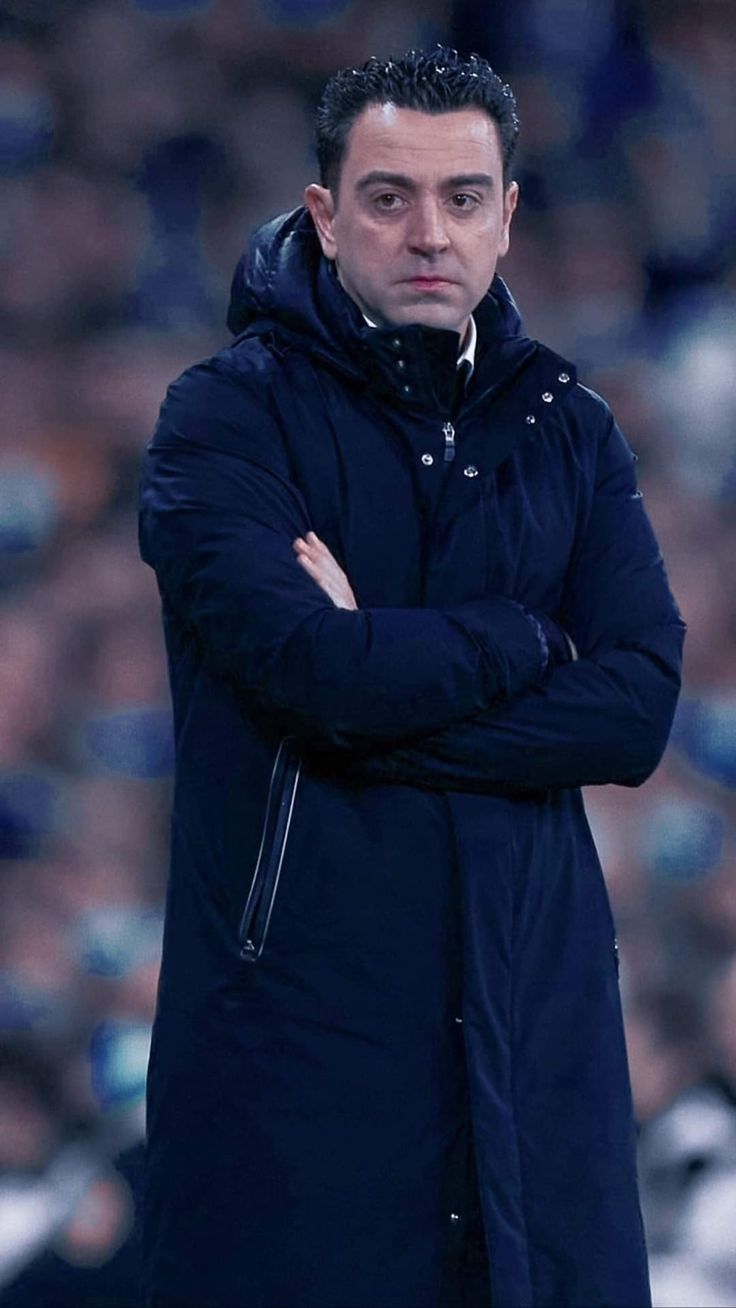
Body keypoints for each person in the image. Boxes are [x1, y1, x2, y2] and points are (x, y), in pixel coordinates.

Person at [138, 46, 685, 1308]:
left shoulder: (570, 427)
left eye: (462, 196)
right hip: (295, 1054)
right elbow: (309, 667)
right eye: (387, 197)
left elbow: (635, 705)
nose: (427, 231)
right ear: (325, 216)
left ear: (508, 214)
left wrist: (368, 691)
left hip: (534, 1046)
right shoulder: (224, 417)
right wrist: (521, 637)